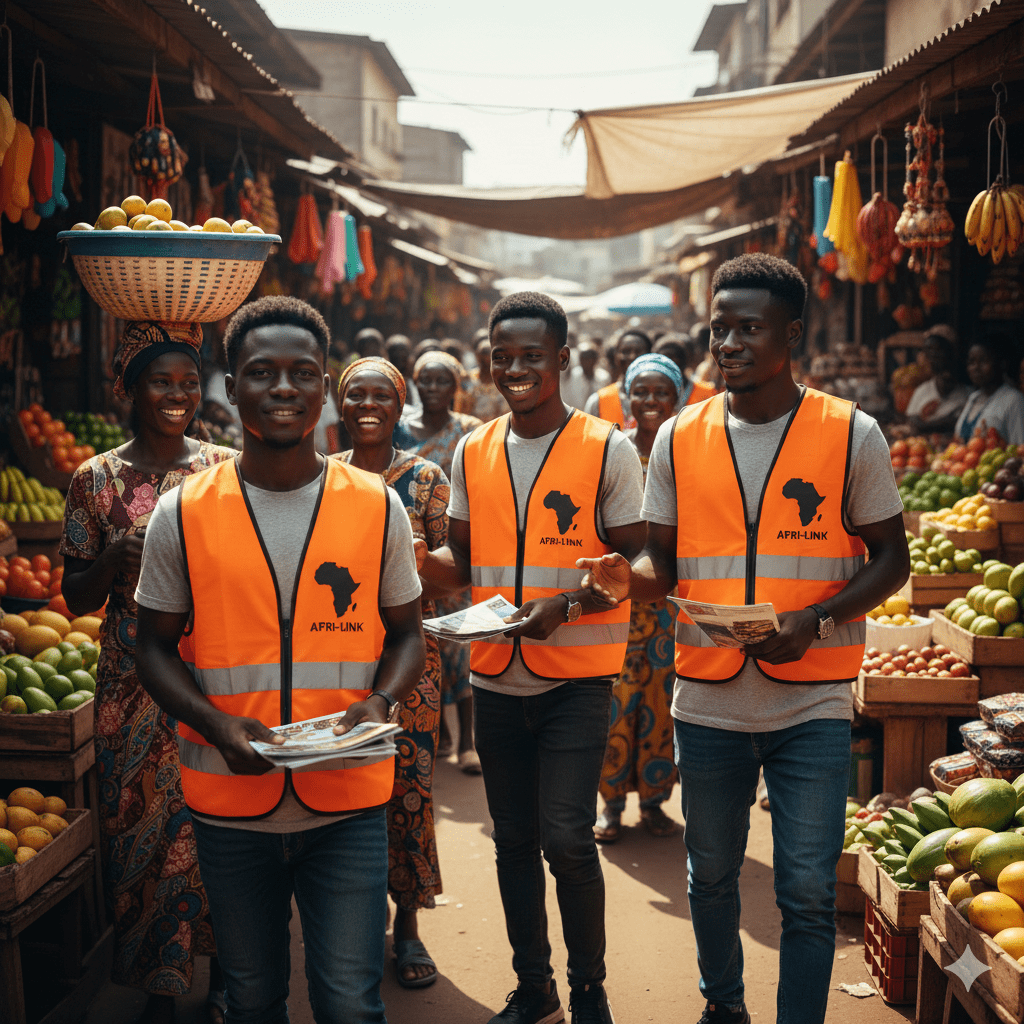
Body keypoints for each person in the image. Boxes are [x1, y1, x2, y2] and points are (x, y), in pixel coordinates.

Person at [579, 253, 909, 1024]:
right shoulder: (678, 438)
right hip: (707, 699)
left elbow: (891, 559)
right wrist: (631, 578)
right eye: (718, 328)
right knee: (711, 875)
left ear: (792, 334)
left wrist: (818, 619)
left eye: (747, 328)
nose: (727, 343)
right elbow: (662, 557)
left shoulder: (850, 433)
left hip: (815, 701)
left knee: (804, 888)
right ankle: (723, 1005)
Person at [133, 296, 426, 1024]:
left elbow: (407, 635)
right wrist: (215, 723)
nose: (284, 388)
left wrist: (380, 703)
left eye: (302, 373)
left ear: (323, 386)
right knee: (254, 999)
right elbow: (154, 648)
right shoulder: (184, 510)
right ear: (230, 391)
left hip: (349, 798)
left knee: (350, 1005)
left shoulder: (377, 505)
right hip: (229, 808)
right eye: (261, 373)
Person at [419, 291, 646, 1024]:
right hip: (493, 675)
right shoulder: (473, 447)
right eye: (502, 356)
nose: (515, 368)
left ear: (563, 360)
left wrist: (571, 605)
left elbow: (630, 564)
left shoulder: (606, 446)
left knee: (568, 839)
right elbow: (461, 559)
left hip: (578, 677)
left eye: (531, 355)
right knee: (512, 840)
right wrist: (413, 558)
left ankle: (589, 993)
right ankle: (535, 985)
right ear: (487, 363)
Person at [60, 321, 233, 1024]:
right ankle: (159, 985)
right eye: (161, 381)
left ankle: (226, 977)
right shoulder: (93, 479)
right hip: (130, 686)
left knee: (222, 824)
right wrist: (116, 556)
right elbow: (73, 595)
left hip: (215, 675)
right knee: (139, 830)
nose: (178, 394)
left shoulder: (225, 467)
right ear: (128, 388)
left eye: (189, 382)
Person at [336, 356, 448, 990]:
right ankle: (354, 918)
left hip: (412, 663)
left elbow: (458, 568)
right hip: (339, 655)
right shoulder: (324, 478)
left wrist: (421, 562)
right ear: (341, 405)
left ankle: (407, 924)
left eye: (382, 395)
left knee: (407, 788)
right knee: (348, 789)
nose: (369, 404)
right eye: (357, 395)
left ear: (399, 405)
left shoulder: (426, 479)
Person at [593, 354, 681, 844]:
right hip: (618, 601)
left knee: (663, 702)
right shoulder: (613, 453)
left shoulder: (684, 453)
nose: (651, 401)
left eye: (661, 392)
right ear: (627, 398)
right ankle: (610, 807)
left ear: (677, 397)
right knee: (615, 702)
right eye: (641, 392)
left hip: (668, 605)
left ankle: (653, 803)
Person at [397, 350, 484, 773]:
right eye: (425, 381)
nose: (432, 389)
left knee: (459, 647)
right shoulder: (399, 429)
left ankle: (467, 741)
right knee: (417, 637)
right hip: (407, 547)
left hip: (453, 546)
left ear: (455, 386)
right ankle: (440, 735)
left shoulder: (468, 431)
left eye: (441, 381)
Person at [953, 332, 1024, 445]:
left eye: (983, 361)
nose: (976, 367)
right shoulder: (973, 398)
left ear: (1002, 364)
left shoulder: (1014, 401)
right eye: (971, 362)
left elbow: (1021, 448)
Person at [904, 325, 970, 434]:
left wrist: (925, 426)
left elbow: (958, 422)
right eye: (929, 350)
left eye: (938, 349)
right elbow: (912, 421)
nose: (933, 355)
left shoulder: (968, 394)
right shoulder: (922, 390)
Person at [585, 329, 652, 427]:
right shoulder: (598, 401)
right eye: (625, 351)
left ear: (650, 355)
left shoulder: (662, 399)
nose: (632, 356)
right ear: (616, 356)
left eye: (638, 351)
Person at [653, 335, 720, 409]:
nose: (669, 364)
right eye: (664, 361)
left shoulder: (708, 392)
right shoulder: (650, 395)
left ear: (685, 362)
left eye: (674, 359)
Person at [465, 333, 508, 422]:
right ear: (477, 356)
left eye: (489, 354)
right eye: (483, 354)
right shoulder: (470, 379)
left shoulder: (504, 380)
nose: (486, 359)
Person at [564, 341, 611, 411]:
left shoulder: (604, 377)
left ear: (595, 359)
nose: (585, 361)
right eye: (583, 357)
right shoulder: (572, 376)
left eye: (589, 357)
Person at [386, 333, 421, 411]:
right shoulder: (382, 384)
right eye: (394, 353)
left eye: (403, 352)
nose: (399, 354)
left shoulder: (417, 383)